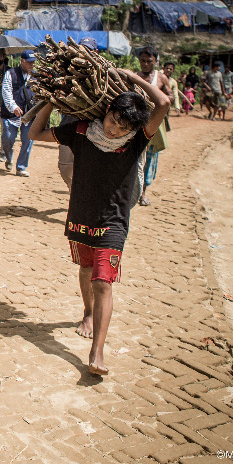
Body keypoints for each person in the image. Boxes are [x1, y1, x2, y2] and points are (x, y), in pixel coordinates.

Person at [29, 70, 170, 376]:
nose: (115, 130)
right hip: (81, 215)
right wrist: (51, 102)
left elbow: (163, 102)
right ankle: (87, 313)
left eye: (123, 127)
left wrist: (130, 76)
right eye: (113, 121)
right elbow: (34, 134)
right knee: (85, 269)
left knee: (102, 282)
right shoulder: (81, 131)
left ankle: (97, 352)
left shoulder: (137, 141)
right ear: (107, 111)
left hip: (113, 222)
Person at [57, 38, 99, 190]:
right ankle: (74, 191)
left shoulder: (103, 75)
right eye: (79, 49)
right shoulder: (66, 72)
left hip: (95, 129)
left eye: (86, 49)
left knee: (90, 168)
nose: (81, 53)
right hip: (69, 125)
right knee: (65, 167)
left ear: (95, 52)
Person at [135, 47, 171, 207]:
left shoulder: (161, 78)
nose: (145, 64)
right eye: (142, 60)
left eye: (149, 61)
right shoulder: (135, 77)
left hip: (154, 122)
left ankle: (143, 193)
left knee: (149, 158)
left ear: (156, 61)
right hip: (136, 122)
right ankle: (132, 191)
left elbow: (170, 96)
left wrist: (158, 99)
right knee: (134, 156)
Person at [0, 50, 37, 177]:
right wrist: (13, 107)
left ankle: (21, 167)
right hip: (11, 115)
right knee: (8, 139)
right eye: (29, 62)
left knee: (28, 140)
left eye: (33, 62)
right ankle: (8, 157)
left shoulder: (36, 76)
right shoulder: (10, 74)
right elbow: (6, 92)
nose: (32, 65)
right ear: (22, 61)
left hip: (29, 114)